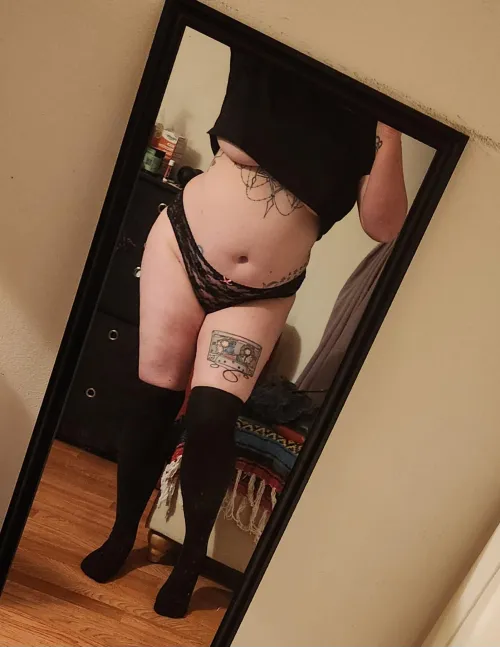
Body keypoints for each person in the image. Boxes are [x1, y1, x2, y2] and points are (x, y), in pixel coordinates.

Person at [81, 48, 407, 617]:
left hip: (262, 292)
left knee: (212, 419)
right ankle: (121, 531)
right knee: (153, 400)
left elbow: (386, 225)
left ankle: (189, 562)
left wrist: (393, 124)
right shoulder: (278, 53)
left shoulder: (368, 118)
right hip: (182, 248)